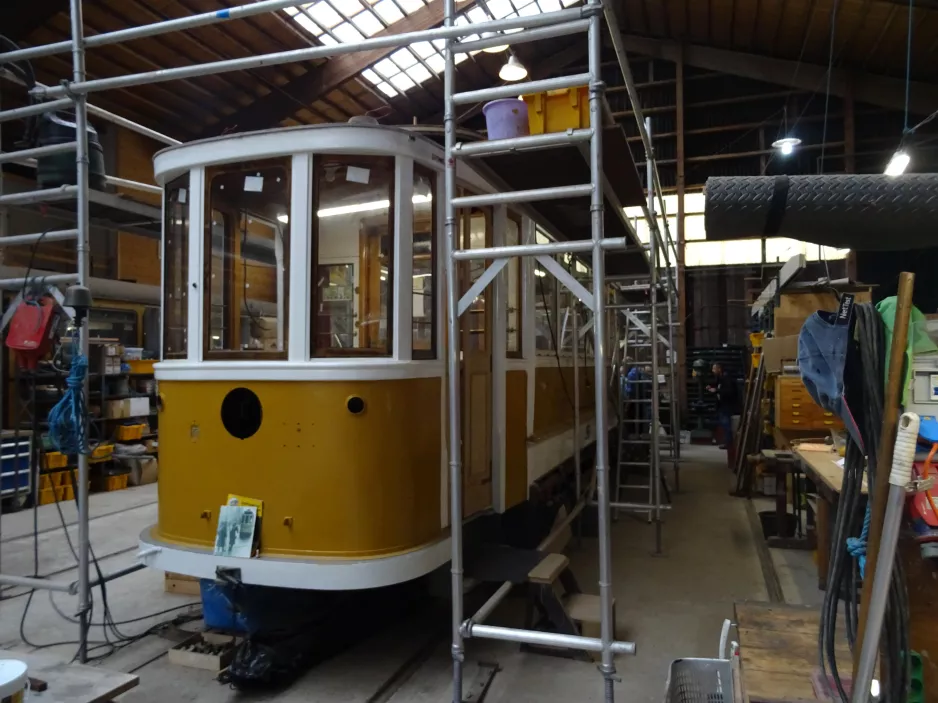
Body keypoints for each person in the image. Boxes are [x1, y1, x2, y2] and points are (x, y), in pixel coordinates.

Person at [707, 363, 738, 449]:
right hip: (721, 405)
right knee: (722, 423)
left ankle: (729, 443)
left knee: (726, 424)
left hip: (727, 405)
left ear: (719, 369)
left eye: (714, 369)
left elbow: (729, 391)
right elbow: (719, 387)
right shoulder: (719, 378)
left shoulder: (726, 378)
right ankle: (723, 440)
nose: (713, 371)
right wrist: (712, 388)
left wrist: (716, 390)